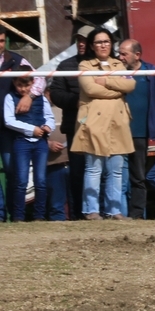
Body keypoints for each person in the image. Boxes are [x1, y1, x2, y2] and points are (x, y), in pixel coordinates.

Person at [72, 28, 135, 219]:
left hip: (118, 121)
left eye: (106, 41)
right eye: (99, 42)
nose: (103, 45)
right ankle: (91, 210)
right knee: (94, 168)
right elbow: (91, 89)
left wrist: (105, 81)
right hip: (94, 121)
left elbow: (130, 85)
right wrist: (117, 88)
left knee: (116, 170)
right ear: (92, 46)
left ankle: (114, 210)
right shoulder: (85, 65)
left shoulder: (119, 64)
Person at [117, 39, 155, 219]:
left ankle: (137, 215)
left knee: (138, 176)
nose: (120, 57)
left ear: (137, 55)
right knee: (117, 177)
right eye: (119, 53)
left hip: (140, 134)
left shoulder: (151, 73)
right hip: (117, 133)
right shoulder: (116, 72)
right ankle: (116, 214)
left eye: (124, 54)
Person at [0, 28, 48, 216]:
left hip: (8, 126)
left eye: (1, 41)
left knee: (12, 171)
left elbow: (40, 79)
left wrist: (30, 96)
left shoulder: (16, 60)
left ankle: (14, 214)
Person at [48, 23, 94, 218]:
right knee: (78, 173)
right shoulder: (66, 66)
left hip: (100, 128)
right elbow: (56, 93)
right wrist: (75, 101)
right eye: (78, 40)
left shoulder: (104, 64)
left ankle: (100, 211)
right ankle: (78, 215)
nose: (81, 44)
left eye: (85, 40)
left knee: (100, 172)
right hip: (75, 128)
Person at [3, 71, 54, 222]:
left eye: (27, 85)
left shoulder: (41, 98)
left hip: (40, 142)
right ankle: (18, 215)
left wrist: (48, 126)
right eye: (19, 85)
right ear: (14, 83)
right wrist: (32, 129)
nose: (23, 89)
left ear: (32, 83)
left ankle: (39, 215)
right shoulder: (10, 97)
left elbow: (49, 117)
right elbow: (9, 120)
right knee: (21, 180)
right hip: (21, 141)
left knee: (41, 180)